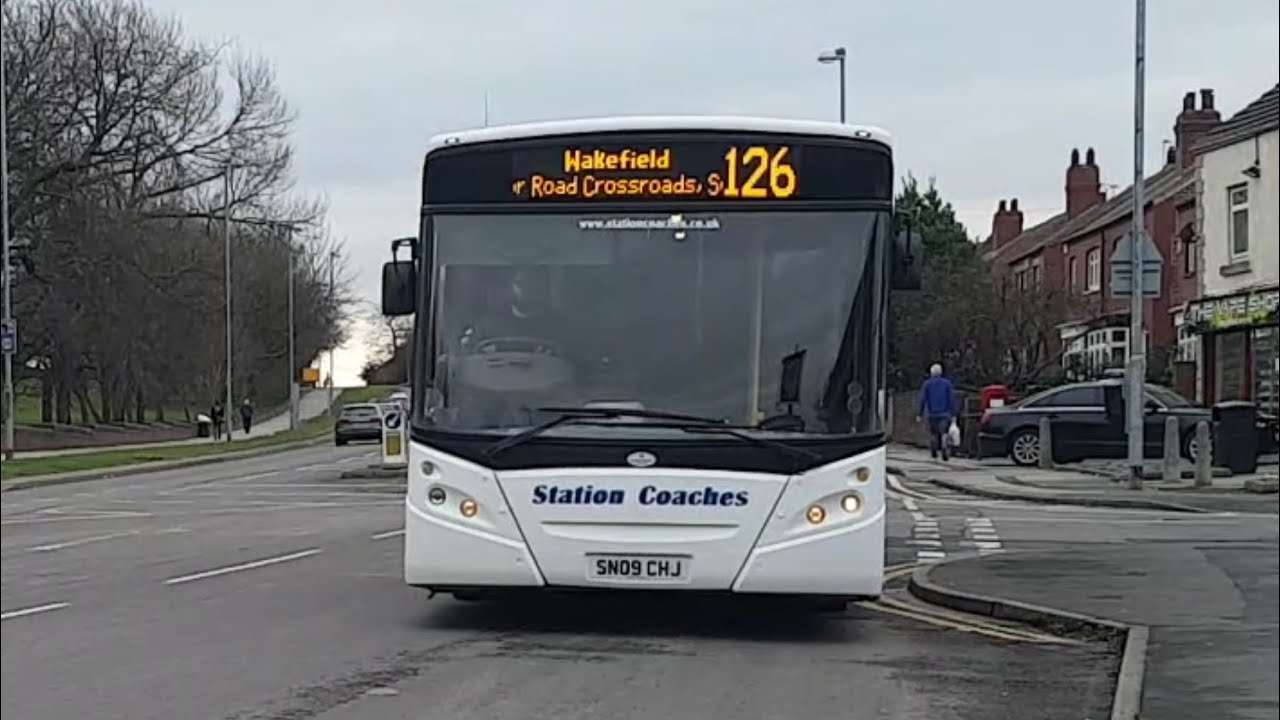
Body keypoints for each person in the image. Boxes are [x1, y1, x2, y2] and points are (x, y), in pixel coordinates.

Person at [917, 363, 957, 461]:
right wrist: (953, 412)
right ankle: (944, 444)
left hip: (932, 413)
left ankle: (934, 449)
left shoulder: (927, 384)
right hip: (945, 413)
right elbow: (951, 399)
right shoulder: (947, 384)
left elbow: (923, 399)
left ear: (931, 373)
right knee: (944, 431)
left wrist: (920, 413)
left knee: (933, 432)